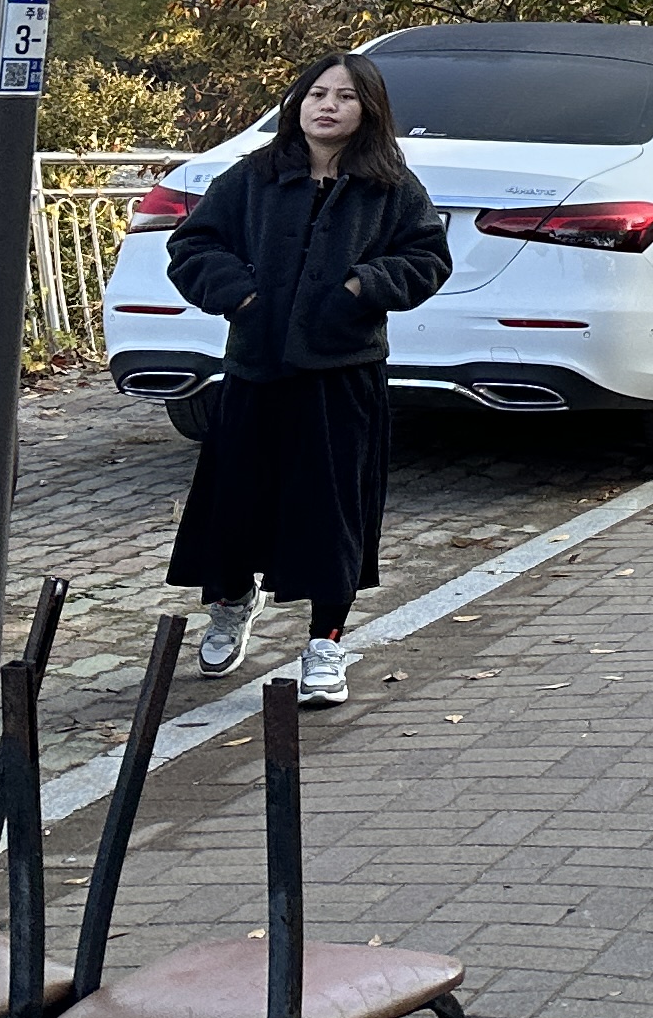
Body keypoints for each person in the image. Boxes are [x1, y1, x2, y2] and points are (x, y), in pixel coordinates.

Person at [165, 52, 453, 704]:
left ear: (368, 111)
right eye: (316, 93)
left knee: (331, 515)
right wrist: (240, 297)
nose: (328, 106)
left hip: (341, 377)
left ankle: (325, 642)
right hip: (254, 371)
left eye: (346, 97)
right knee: (236, 503)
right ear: (298, 104)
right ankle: (233, 603)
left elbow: (427, 258)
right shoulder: (254, 178)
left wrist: (359, 288)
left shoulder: (390, 188)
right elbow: (192, 247)